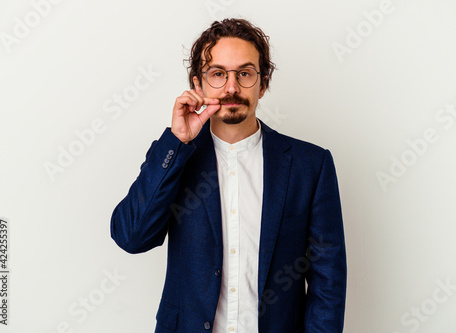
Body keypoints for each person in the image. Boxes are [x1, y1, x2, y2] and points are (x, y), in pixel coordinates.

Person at [111, 18, 347, 332]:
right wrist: (177, 141)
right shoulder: (174, 155)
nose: (232, 87)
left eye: (245, 74)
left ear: (262, 84)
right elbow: (132, 237)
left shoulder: (310, 165)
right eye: (218, 74)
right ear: (198, 84)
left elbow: (327, 280)